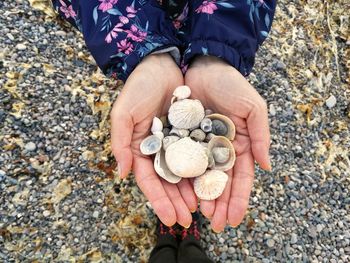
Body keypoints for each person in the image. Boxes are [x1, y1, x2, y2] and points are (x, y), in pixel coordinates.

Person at [50, 0, 276, 261]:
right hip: (135, 36)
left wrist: (215, 53)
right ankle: (187, 240)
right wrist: (144, 53)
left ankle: (171, 241)